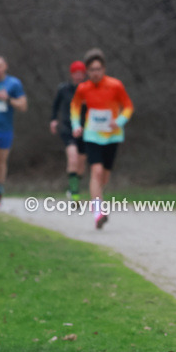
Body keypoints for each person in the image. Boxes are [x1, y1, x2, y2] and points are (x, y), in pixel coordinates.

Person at [70, 48, 134, 229]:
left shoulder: (115, 85)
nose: (95, 73)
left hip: (112, 136)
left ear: (104, 69)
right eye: (91, 70)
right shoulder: (83, 88)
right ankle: (98, 212)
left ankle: (98, 198)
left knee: (104, 176)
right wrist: (76, 125)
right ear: (87, 72)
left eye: (98, 69)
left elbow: (128, 106)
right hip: (92, 134)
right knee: (96, 171)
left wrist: (119, 121)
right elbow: (75, 107)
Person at [50, 61, 88, 201]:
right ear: (71, 74)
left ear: (84, 74)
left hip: (85, 129)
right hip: (68, 127)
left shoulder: (89, 89)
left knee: (81, 164)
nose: (78, 76)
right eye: (75, 73)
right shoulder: (63, 89)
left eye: (81, 73)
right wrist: (53, 120)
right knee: (73, 158)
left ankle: (72, 187)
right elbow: (55, 106)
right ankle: (75, 195)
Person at [0, 55, 27, 208]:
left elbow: (23, 106)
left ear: (5, 66)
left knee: (1, 163)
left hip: (6, 129)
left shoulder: (14, 84)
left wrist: (7, 99)